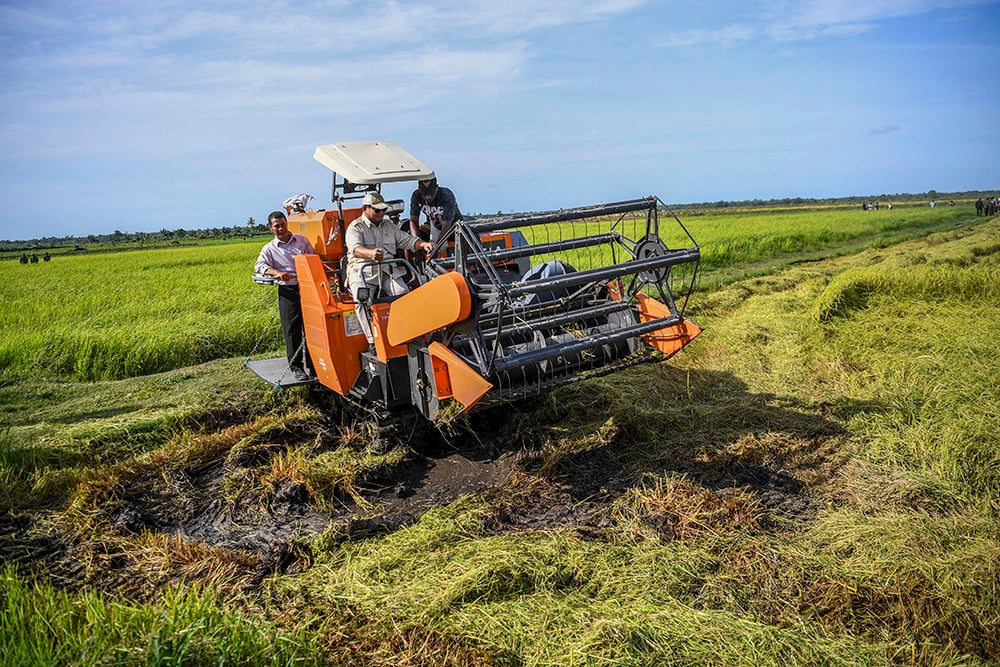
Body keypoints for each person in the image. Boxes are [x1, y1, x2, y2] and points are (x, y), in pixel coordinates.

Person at [346, 191, 435, 344]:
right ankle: (372, 340)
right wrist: (370, 253)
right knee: (361, 301)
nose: (381, 213)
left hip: (387, 271)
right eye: (377, 210)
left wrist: (423, 244)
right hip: (363, 271)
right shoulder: (356, 228)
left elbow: (406, 240)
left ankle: (406, 334)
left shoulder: (389, 226)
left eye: (383, 210)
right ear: (365, 208)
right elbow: (355, 249)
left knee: (404, 294)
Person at [254, 210, 317, 381]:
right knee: (292, 329)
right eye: (277, 226)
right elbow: (260, 266)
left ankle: (314, 365)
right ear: (270, 228)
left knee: (312, 328)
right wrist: (277, 272)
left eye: (283, 224)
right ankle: (296, 367)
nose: (281, 228)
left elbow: (314, 258)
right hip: (288, 291)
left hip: (308, 289)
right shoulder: (269, 249)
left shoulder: (302, 241)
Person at [407, 177, 463, 245]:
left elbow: (446, 225)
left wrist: (436, 247)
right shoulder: (416, 196)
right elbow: (413, 221)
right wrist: (417, 242)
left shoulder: (446, 195)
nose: (428, 197)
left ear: (437, 188)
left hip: (452, 226)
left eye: (431, 193)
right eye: (424, 194)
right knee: (409, 239)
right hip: (431, 225)